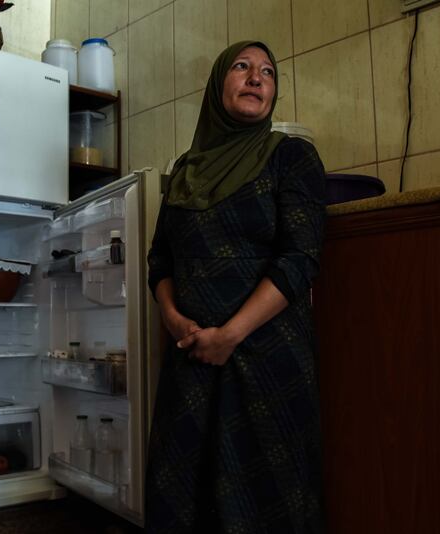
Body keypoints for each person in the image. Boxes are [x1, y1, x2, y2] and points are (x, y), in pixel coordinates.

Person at [145, 40, 326, 533]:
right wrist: (172, 316)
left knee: (264, 501)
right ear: (218, 83)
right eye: (243, 67)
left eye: (267, 72)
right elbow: (160, 258)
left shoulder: (291, 157)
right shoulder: (186, 170)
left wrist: (230, 334)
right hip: (193, 358)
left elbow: (299, 258)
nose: (256, 78)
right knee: (184, 496)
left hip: (266, 359)